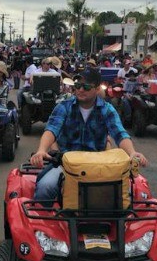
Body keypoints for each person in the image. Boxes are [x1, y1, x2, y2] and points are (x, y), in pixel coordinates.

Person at [29, 68, 148, 202]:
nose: (80, 90)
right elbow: (51, 129)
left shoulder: (107, 110)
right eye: (78, 86)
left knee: (127, 193)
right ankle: (46, 222)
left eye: (86, 87)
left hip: (98, 166)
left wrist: (132, 153)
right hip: (66, 164)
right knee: (45, 187)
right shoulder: (64, 106)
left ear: (97, 89)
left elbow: (120, 134)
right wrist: (41, 150)